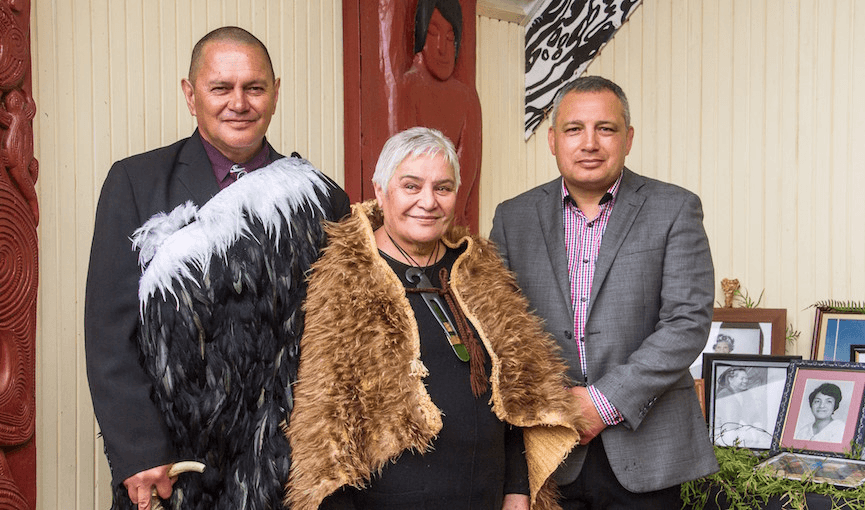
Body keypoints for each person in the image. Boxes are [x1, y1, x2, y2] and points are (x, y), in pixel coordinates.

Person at [84, 26, 350, 510]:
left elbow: (340, 337)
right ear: (191, 95)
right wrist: (139, 450)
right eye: (221, 88)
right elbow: (109, 335)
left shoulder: (321, 197)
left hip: (290, 463)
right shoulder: (136, 182)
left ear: (275, 93)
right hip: (175, 466)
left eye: (254, 87)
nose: (239, 103)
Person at [285, 127, 588, 510]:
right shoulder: (346, 278)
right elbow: (327, 423)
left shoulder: (477, 267)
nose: (428, 202)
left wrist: (517, 489)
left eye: (442, 188)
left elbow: (515, 393)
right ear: (380, 190)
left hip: (487, 497)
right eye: (411, 186)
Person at [490, 76, 718, 509]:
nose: (590, 143)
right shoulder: (513, 217)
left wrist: (603, 401)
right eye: (574, 129)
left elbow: (687, 323)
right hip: (547, 450)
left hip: (647, 451)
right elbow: (501, 332)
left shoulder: (674, 208)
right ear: (553, 140)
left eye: (606, 129)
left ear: (628, 139)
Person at [400, 0, 482, 231]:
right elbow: (405, 161)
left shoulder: (467, 98)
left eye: (449, 38)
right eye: (432, 34)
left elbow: (468, 163)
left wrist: (451, 211)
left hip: (453, 219)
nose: (441, 48)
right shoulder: (409, 87)